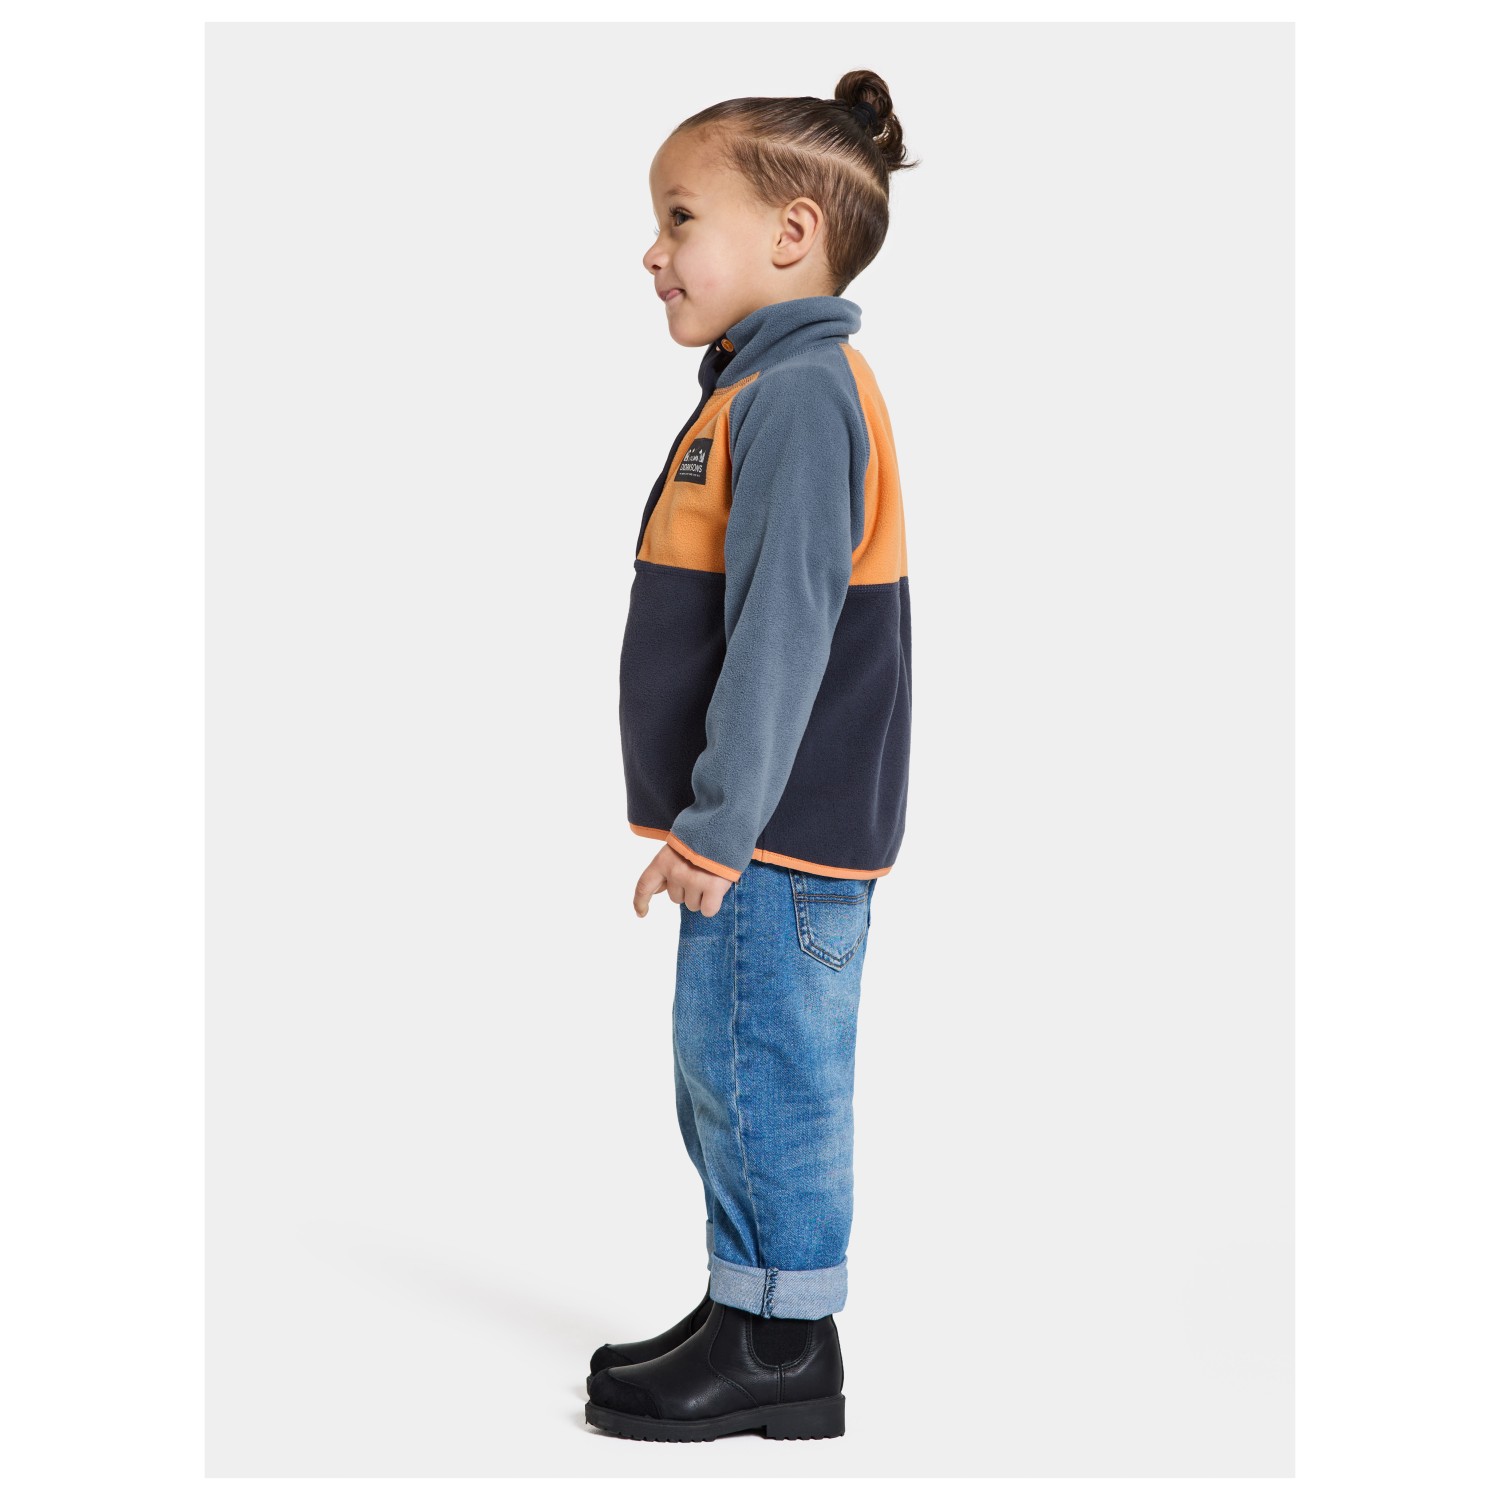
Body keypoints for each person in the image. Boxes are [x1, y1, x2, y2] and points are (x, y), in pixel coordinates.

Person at [584, 69, 918, 1444]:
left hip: (773, 835)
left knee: (766, 1077)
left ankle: (784, 1346)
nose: (653, 251)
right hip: (763, 831)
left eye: (680, 217)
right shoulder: (768, 384)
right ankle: (749, 1304)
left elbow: (784, 628)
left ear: (792, 233)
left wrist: (718, 827)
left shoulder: (795, 396)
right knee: (727, 1073)